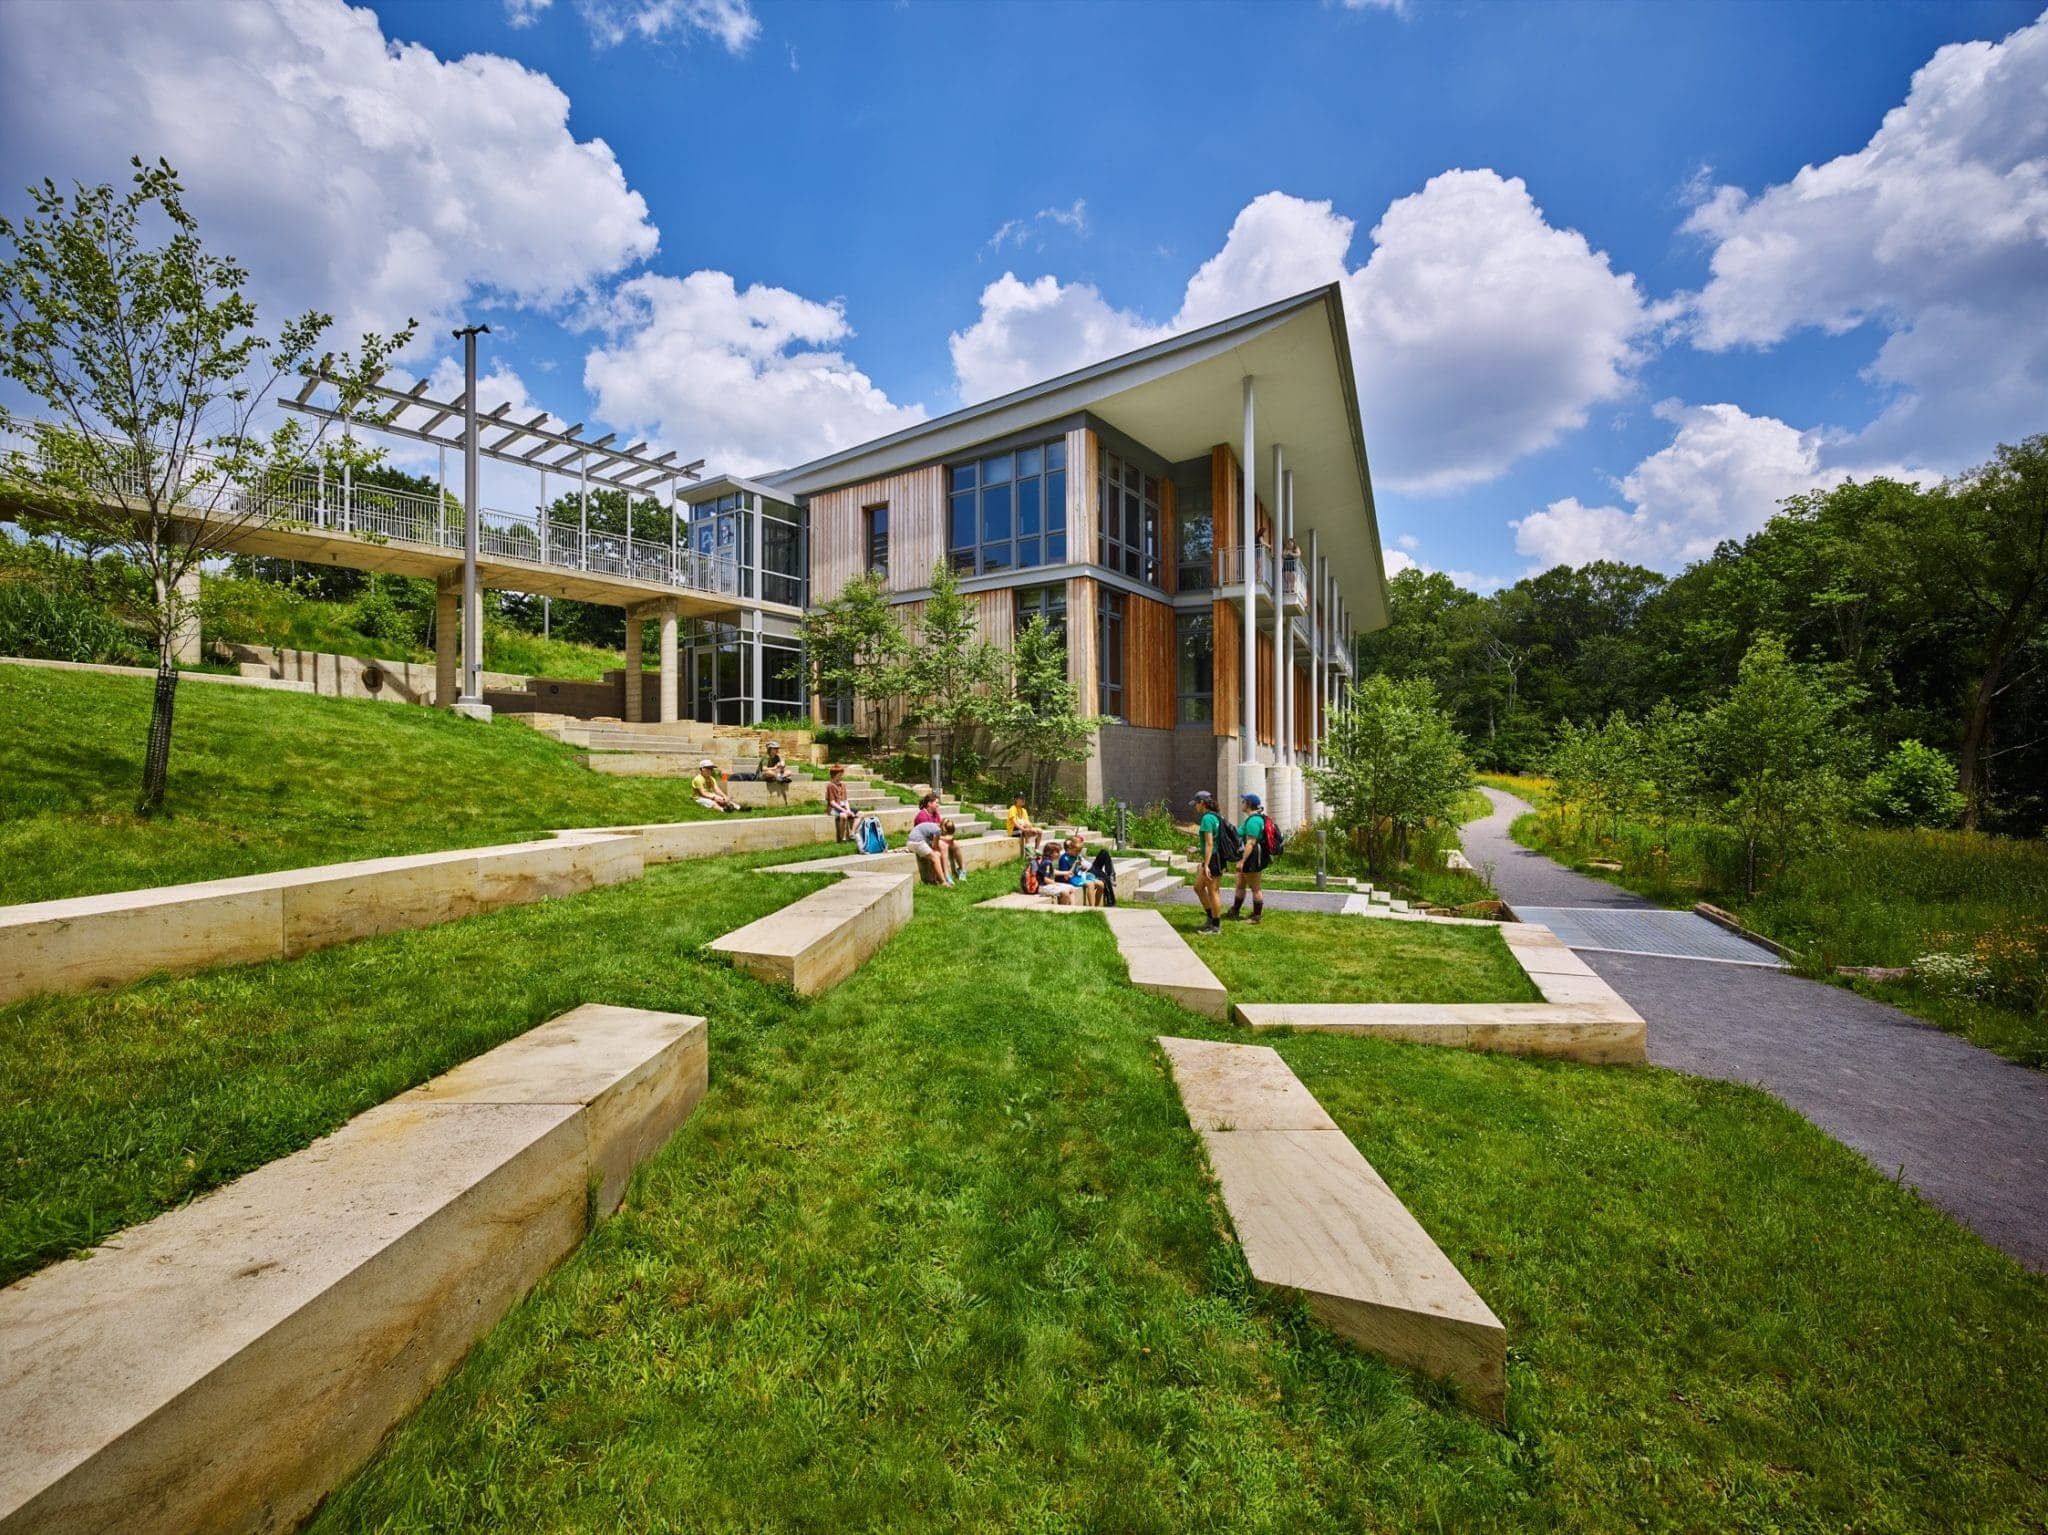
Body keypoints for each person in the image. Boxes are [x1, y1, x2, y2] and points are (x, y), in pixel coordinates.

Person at [1229, 792, 1270, 923]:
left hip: (1252, 856)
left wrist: (1242, 861)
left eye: (1243, 801)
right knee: (1240, 884)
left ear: (1248, 804)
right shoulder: (1252, 818)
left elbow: (1251, 842)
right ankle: (1235, 910)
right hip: (1249, 855)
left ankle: (1256, 917)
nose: (1241, 803)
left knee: (1255, 887)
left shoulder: (1254, 821)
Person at [1190, 790, 1225, 935]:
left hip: (1213, 859)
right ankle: (1211, 918)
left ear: (1202, 803)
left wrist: (1207, 865)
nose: (1195, 806)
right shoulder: (1216, 817)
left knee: (1213, 892)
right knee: (1198, 887)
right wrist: (1199, 849)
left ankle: (1215, 926)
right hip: (1215, 857)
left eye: (1196, 803)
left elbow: (1210, 843)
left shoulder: (1207, 819)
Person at [908, 815, 960, 886]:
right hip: (917, 842)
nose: (945, 836)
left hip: (913, 842)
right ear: (944, 830)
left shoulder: (935, 827)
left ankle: (936, 878)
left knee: (936, 855)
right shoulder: (937, 831)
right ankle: (943, 882)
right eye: (946, 834)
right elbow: (935, 847)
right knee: (935, 857)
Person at [825, 764, 856, 841]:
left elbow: (845, 800)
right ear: (834, 775)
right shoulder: (830, 785)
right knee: (843, 816)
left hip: (843, 808)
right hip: (833, 809)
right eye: (840, 775)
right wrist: (844, 811)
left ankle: (852, 834)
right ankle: (842, 838)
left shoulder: (843, 785)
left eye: (842, 774)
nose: (842, 776)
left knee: (858, 814)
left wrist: (848, 810)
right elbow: (832, 803)